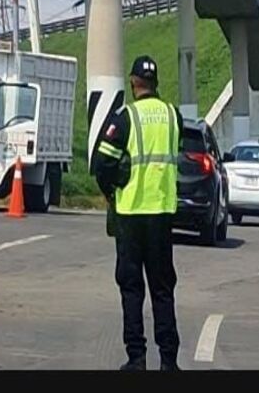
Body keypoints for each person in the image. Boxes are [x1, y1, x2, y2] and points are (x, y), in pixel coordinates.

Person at [91, 55, 182, 371]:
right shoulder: (173, 116)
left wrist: (110, 191)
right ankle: (169, 361)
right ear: (156, 83)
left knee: (131, 288)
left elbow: (103, 163)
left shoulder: (125, 118)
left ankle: (137, 358)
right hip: (162, 214)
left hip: (130, 215)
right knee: (163, 288)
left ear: (133, 82)